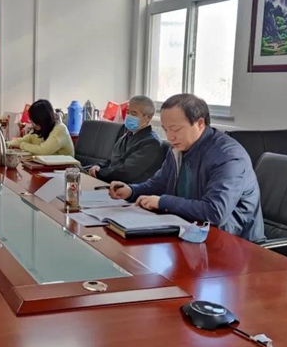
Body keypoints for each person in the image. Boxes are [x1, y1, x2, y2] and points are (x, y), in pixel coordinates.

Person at [109, 94, 265, 242]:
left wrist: (162, 202)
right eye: (165, 129)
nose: (170, 137)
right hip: (190, 232)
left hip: (235, 244)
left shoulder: (228, 157)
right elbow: (160, 183)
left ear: (200, 123)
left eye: (175, 129)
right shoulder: (178, 148)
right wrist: (132, 191)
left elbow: (214, 211)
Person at [88, 95, 165, 184]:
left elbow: (126, 172)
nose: (128, 116)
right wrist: (97, 166)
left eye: (134, 114)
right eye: (128, 112)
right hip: (111, 182)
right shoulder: (126, 136)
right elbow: (112, 162)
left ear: (148, 117)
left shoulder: (151, 143)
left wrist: (98, 173)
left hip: (129, 188)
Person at [7, 99, 74, 156]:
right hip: (49, 166)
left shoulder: (60, 129)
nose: (32, 123)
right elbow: (23, 140)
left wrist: (22, 145)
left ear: (42, 120)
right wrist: (6, 145)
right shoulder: (40, 129)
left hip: (67, 167)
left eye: (34, 120)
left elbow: (43, 151)